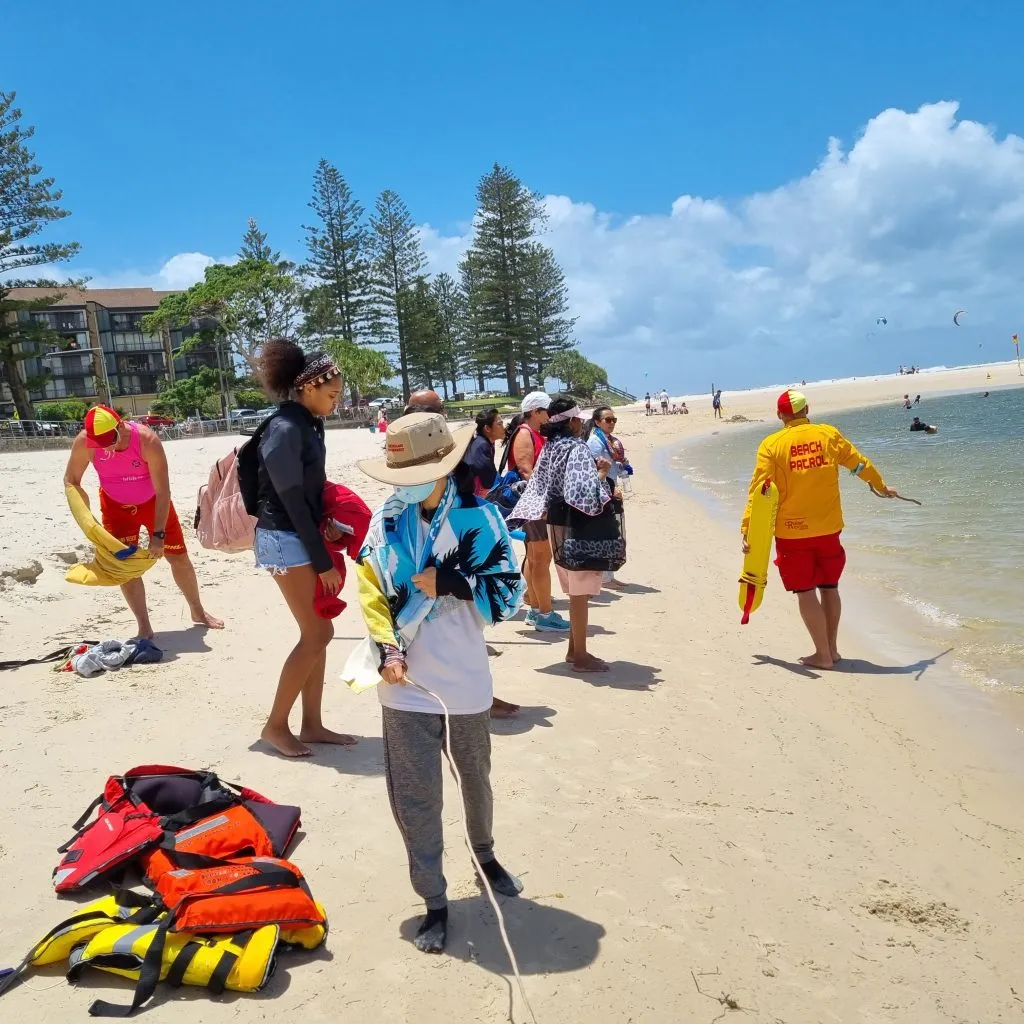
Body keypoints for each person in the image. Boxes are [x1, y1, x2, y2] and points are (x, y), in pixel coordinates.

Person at [355, 412, 527, 954]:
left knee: (476, 779)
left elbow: (510, 593)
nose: (405, 489)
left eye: (415, 477)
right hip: (403, 684)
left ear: (443, 468)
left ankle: (486, 854)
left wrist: (456, 581)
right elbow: (370, 590)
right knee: (416, 799)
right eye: (399, 478)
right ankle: (433, 899)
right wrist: (387, 649)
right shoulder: (386, 519)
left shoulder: (482, 516)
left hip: (466, 681)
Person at [741, 389, 896, 670]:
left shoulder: (771, 445)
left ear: (780, 415)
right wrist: (881, 486)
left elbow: (759, 490)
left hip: (792, 532)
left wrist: (748, 529)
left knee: (805, 592)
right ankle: (832, 650)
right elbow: (859, 464)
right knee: (829, 588)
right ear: (807, 410)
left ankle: (822, 655)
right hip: (829, 528)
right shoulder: (828, 434)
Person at [253, 339, 355, 758]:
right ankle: (275, 726)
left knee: (318, 632)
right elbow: (291, 499)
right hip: (282, 538)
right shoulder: (284, 428)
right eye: (332, 394)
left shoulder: (309, 423)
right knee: (317, 632)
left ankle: (311, 724)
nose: (336, 401)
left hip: (299, 534)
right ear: (308, 387)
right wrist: (320, 558)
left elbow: (310, 492)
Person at [64, 406, 223, 640]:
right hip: (116, 508)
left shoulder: (147, 441)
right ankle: (144, 626)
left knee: (178, 557)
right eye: (100, 444)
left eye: (110, 441)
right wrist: (86, 520)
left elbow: (163, 491)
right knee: (125, 566)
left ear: (120, 426)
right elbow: (71, 481)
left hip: (153, 502)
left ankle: (197, 611)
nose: (107, 449)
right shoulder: (84, 443)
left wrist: (158, 534)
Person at [511, 396, 622, 673]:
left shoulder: (551, 446)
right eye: (578, 420)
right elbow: (582, 492)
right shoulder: (576, 447)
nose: (581, 425)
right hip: (579, 524)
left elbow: (541, 485)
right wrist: (602, 474)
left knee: (575, 590)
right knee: (581, 591)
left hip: (556, 523)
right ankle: (580, 656)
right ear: (572, 421)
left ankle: (575, 650)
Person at [509, 392, 570, 632]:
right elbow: (527, 471)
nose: (551, 416)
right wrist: (545, 504)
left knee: (535, 558)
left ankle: (535, 609)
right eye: (547, 412)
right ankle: (545, 613)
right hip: (536, 505)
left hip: (534, 504)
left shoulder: (532, 432)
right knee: (541, 558)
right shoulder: (525, 433)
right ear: (535, 412)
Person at [586, 407, 629, 589]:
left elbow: (611, 465)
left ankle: (609, 575)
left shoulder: (609, 440)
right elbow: (596, 469)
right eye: (608, 420)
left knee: (612, 531)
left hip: (611, 486)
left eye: (614, 420)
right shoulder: (595, 442)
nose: (612, 423)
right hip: (604, 490)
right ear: (597, 422)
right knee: (606, 532)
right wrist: (610, 490)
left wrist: (622, 466)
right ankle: (604, 578)